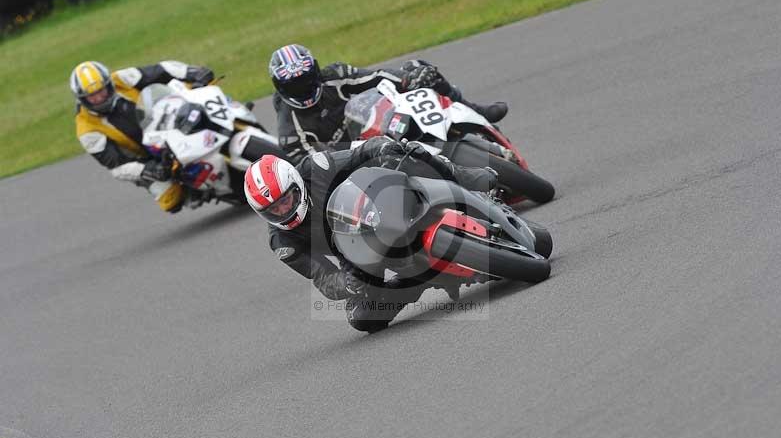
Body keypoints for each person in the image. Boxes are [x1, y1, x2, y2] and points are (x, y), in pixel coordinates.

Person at [243, 135, 498, 331]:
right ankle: (417, 281)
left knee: (407, 154)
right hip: (355, 254)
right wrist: (346, 284)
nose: (283, 210)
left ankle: (468, 179)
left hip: (375, 202)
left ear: (295, 183)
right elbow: (321, 277)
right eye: (273, 210)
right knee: (362, 318)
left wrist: (383, 148)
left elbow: (360, 153)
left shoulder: (316, 168)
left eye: (285, 200)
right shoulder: (282, 242)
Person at [268, 44, 508, 162]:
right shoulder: (290, 132)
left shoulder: (334, 75)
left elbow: (375, 76)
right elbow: (317, 166)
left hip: (377, 122)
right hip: (356, 160)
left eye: (306, 79)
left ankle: (476, 113)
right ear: (281, 87)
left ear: (316, 71)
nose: (303, 88)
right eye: (294, 85)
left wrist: (407, 79)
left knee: (418, 67)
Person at [70, 60, 215, 212]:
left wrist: (191, 72)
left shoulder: (121, 78)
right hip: (148, 156)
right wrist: (148, 169)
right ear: (82, 99)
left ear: (109, 84)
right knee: (170, 198)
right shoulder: (86, 131)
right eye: (92, 96)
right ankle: (192, 187)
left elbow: (161, 70)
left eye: (101, 91)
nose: (99, 98)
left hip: (168, 120)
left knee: (203, 96)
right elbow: (117, 166)